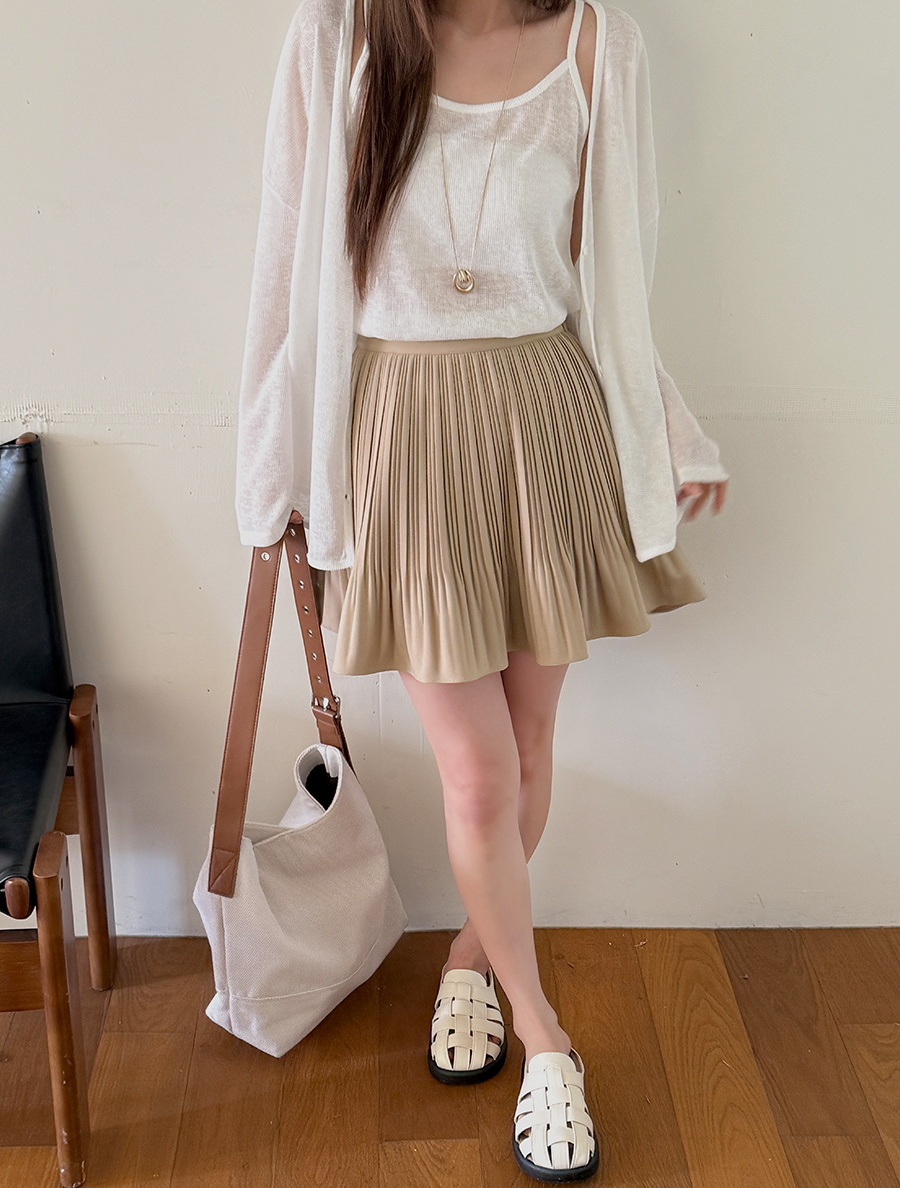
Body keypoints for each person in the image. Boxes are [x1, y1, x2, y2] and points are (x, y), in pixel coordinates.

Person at [236, 0, 728, 1179]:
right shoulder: (338, 37)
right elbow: (285, 266)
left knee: (529, 746)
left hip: (546, 418)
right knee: (480, 770)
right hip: (401, 438)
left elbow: (615, 273)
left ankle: (471, 959)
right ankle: (546, 1039)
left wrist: (670, 432)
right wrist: (272, 467)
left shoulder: (600, 43)